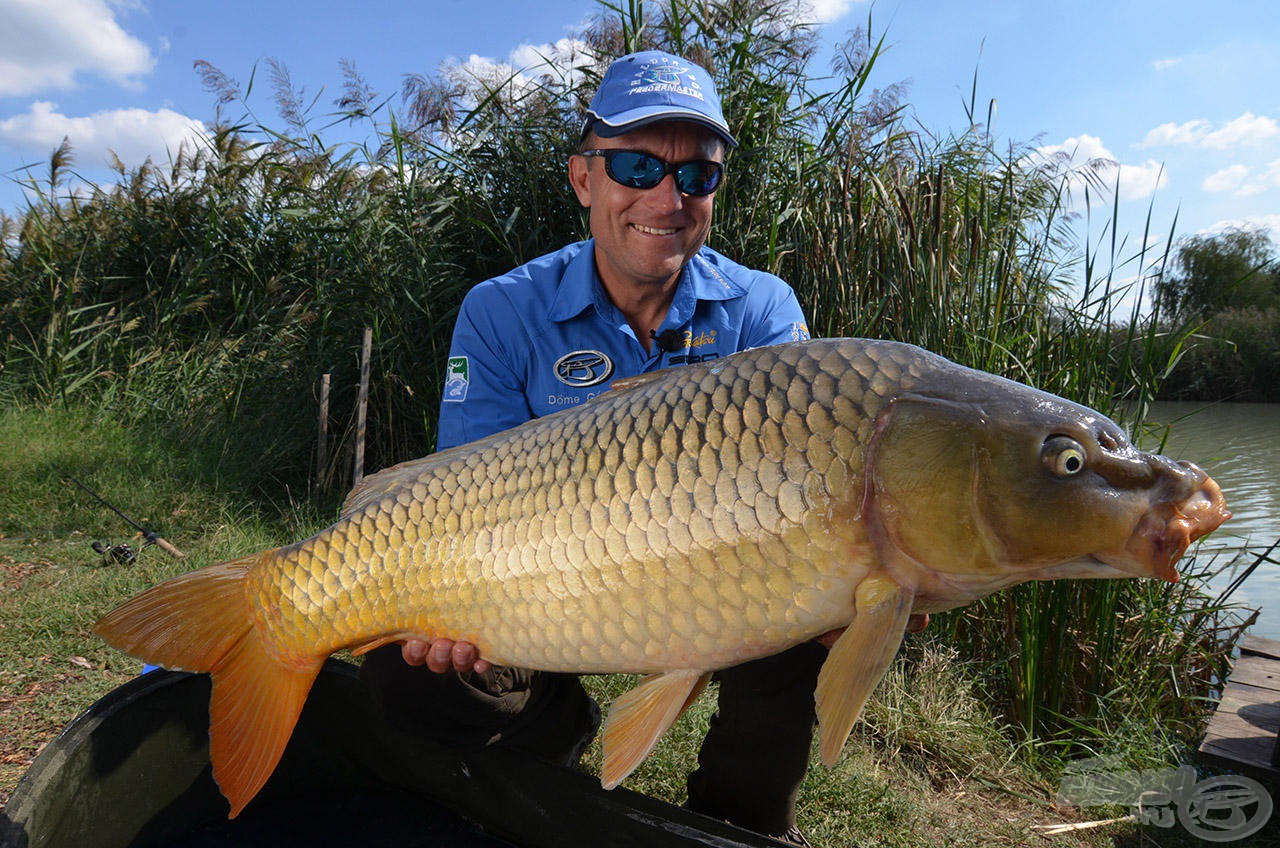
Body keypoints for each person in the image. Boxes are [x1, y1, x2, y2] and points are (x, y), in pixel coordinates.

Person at [360, 49, 923, 847]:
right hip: (535, 586)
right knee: (405, 668)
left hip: (719, 576)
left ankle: (736, 819)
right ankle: (550, 740)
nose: (667, 198)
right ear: (584, 178)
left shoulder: (764, 310)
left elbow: (815, 484)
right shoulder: (500, 310)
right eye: (635, 166)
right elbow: (458, 493)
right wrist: (441, 613)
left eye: (698, 175)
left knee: (817, 594)